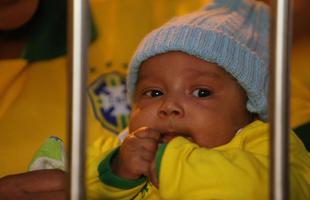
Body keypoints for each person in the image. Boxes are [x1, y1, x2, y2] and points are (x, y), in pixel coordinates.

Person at [86, 0, 310, 199]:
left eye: (202, 93)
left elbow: (262, 190)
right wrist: (116, 172)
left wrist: (168, 160)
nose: (169, 106)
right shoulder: (116, 148)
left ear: (250, 106)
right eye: (154, 93)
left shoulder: (268, 144)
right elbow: (74, 184)